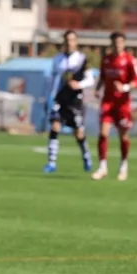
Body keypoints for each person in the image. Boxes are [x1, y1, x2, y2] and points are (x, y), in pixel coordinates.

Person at [92, 32, 137, 181]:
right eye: (115, 42)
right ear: (111, 44)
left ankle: (123, 165)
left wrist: (125, 87)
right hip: (107, 102)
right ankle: (102, 167)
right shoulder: (106, 59)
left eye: (120, 42)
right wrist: (97, 89)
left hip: (122, 104)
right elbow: (102, 77)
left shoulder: (129, 60)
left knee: (124, 136)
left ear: (124, 43)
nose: (117, 45)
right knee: (103, 133)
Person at [44, 30, 95, 173]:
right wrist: (49, 97)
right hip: (60, 98)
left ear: (76, 42)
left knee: (78, 132)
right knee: (55, 126)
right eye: (67, 40)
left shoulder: (82, 59)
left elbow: (90, 79)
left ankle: (86, 156)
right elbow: (53, 79)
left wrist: (79, 85)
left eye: (72, 40)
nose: (69, 43)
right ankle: (51, 163)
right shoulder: (58, 59)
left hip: (75, 100)